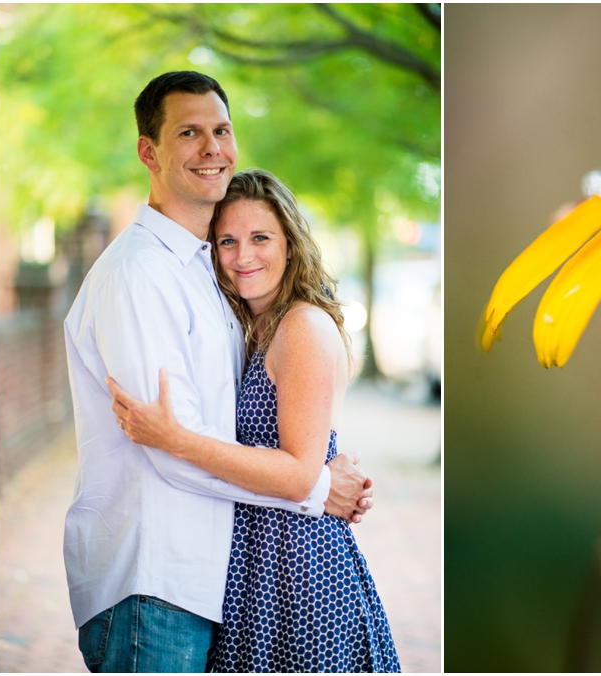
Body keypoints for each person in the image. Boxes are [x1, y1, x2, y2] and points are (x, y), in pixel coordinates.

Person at [63, 71, 372, 673]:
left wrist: (318, 466)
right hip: (151, 580)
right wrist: (315, 487)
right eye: (189, 132)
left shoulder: (206, 275)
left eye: (221, 130)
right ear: (149, 152)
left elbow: (241, 425)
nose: (212, 148)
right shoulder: (141, 275)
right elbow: (167, 445)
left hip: (210, 583)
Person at [108, 168, 401, 672]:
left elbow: (300, 474)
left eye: (260, 238)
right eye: (228, 241)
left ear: (290, 242)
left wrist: (175, 438)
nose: (243, 256)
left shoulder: (302, 326)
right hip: (256, 563)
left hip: (298, 570)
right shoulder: (256, 329)